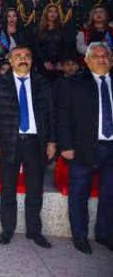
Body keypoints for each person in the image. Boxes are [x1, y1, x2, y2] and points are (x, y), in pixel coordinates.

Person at [0, 46, 55, 248]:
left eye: (27, 56)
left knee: (35, 189)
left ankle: (34, 231)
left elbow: (51, 114)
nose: (23, 59)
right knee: (8, 189)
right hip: (8, 142)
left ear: (32, 60)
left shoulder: (42, 83)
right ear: (10, 60)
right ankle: (7, 230)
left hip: (36, 142)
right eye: (18, 56)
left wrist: (52, 140)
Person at [55, 42, 113, 254]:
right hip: (82, 148)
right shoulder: (72, 84)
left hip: (111, 149)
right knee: (79, 194)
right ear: (86, 61)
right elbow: (62, 117)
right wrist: (66, 145)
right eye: (95, 55)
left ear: (111, 59)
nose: (101, 58)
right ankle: (80, 236)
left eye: (105, 54)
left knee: (110, 195)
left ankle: (105, 234)